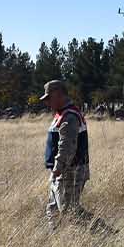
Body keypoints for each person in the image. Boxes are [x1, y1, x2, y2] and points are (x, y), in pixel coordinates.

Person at [41, 79, 90, 226]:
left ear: (58, 95)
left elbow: (67, 145)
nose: (47, 103)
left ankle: (107, 235)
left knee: (71, 212)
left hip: (70, 171)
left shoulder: (69, 116)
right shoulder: (62, 114)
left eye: (49, 98)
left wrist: (58, 168)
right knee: (53, 208)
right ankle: (53, 240)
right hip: (61, 171)